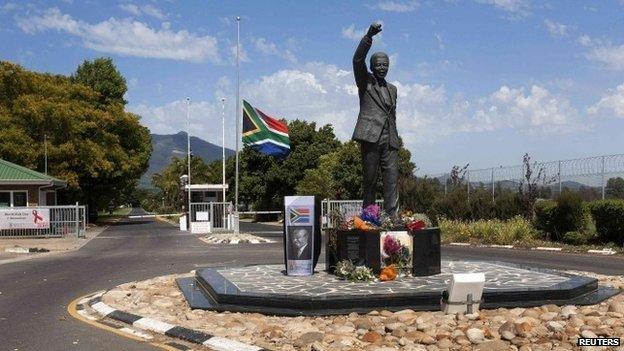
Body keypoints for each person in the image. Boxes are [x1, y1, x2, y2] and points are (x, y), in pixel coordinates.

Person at [352, 22, 400, 218]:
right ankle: (369, 216)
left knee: (392, 180)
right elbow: (357, 59)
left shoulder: (393, 89)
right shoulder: (365, 82)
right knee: (370, 181)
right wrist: (368, 36)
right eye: (378, 65)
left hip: (390, 139)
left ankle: (393, 217)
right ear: (372, 67)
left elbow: (392, 115)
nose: (382, 68)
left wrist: (394, 137)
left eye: (385, 65)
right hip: (370, 136)